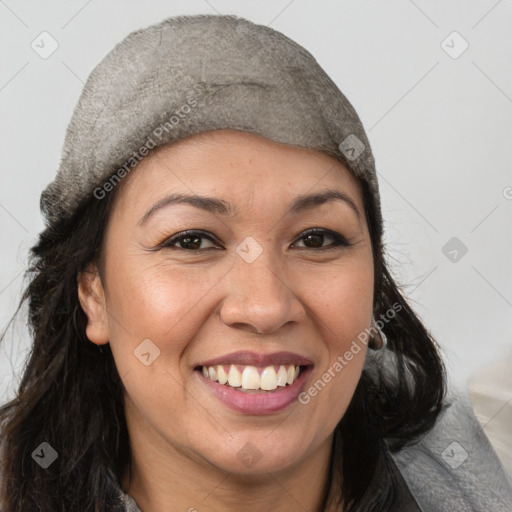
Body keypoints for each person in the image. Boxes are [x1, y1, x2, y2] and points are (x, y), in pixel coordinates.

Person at [0, 14, 511, 512]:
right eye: (193, 241)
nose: (265, 307)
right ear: (94, 295)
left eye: (316, 238)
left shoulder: (490, 461)